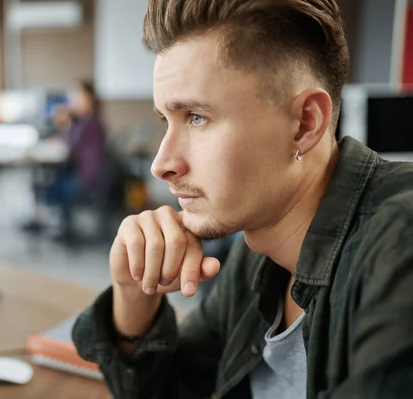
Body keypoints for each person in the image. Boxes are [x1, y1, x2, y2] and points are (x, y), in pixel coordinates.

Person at [71, 1, 413, 398]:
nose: (160, 164)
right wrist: (133, 294)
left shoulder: (400, 244)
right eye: (167, 120)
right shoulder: (256, 253)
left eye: (197, 117)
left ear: (305, 124)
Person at [28, 81, 106, 238]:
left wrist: (64, 122)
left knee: (47, 186)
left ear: (90, 100)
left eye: (79, 97)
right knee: (53, 180)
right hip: (87, 174)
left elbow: (71, 145)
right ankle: (57, 223)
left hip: (87, 179)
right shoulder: (89, 121)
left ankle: (57, 226)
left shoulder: (89, 124)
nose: (74, 102)